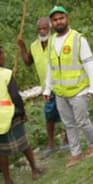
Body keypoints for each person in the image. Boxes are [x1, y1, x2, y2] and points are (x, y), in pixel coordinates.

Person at [0, 45, 44, 184]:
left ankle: (8, 182)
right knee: (24, 144)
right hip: (8, 114)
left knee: (2, 151)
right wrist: (22, 112)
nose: (5, 56)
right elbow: (15, 96)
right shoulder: (6, 73)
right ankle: (35, 170)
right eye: (3, 54)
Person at [43, 5, 93, 168]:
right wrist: (47, 89)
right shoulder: (52, 41)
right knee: (69, 124)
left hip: (78, 89)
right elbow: (50, 67)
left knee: (82, 121)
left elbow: (89, 62)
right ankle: (76, 153)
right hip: (60, 92)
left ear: (67, 19)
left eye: (61, 18)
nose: (58, 21)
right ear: (51, 23)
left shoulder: (78, 38)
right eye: (55, 19)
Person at [16, 16, 67, 155]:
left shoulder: (57, 41)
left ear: (50, 28)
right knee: (49, 116)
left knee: (66, 113)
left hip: (61, 83)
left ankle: (67, 139)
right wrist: (22, 47)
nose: (42, 31)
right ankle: (51, 144)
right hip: (47, 88)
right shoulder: (34, 46)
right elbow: (28, 62)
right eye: (40, 29)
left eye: (45, 28)